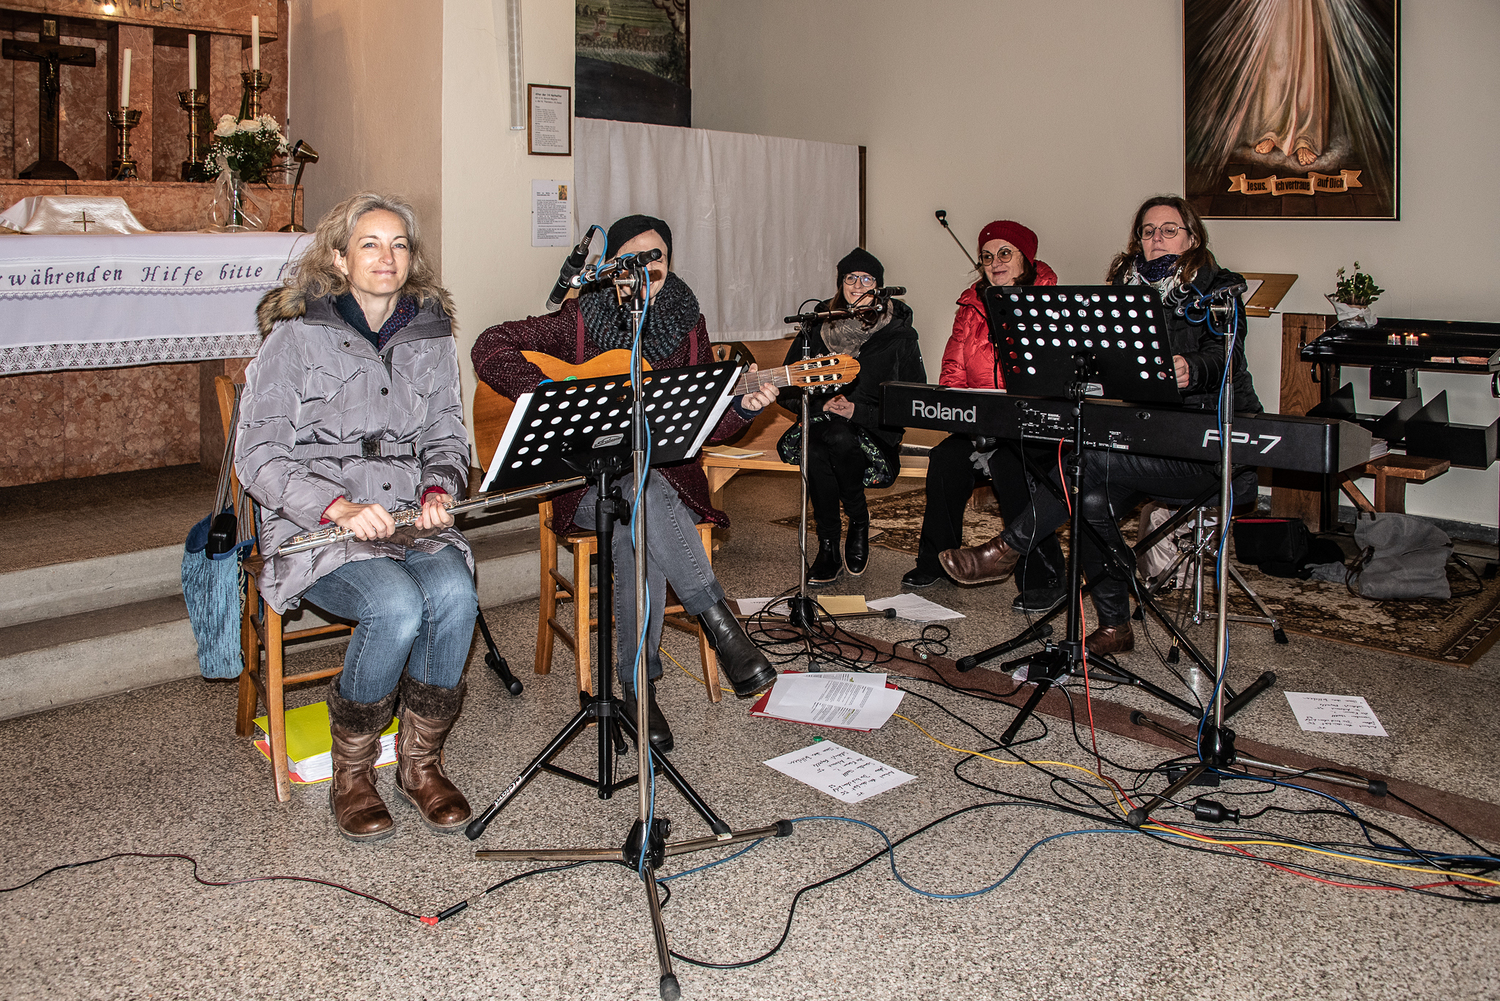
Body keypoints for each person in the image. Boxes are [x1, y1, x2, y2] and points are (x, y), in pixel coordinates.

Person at [471, 214, 779, 753]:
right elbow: (488, 345)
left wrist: (744, 408)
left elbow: (702, 425)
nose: (647, 269)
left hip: (664, 482)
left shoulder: (687, 321)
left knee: (639, 510)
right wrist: (550, 396)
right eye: (633, 259)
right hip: (583, 483)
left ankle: (637, 687)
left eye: (657, 258)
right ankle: (719, 625)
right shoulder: (578, 318)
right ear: (611, 266)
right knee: (640, 499)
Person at [236, 193, 476, 842]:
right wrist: (337, 506)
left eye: (399, 244)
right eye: (370, 243)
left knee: (455, 593)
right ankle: (353, 773)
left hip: (407, 518)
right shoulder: (294, 337)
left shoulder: (429, 336)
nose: (386, 256)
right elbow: (257, 456)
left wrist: (439, 487)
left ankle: (420, 764)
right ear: (340, 258)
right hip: (315, 523)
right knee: (395, 604)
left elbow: (447, 436)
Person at [939, 195, 1262, 657]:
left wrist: (1192, 368)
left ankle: (1007, 549)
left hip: (1208, 448)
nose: (1157, 238)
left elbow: (1222, 356)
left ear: (1192, 238)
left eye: (1169, 230)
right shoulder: (1125, 290)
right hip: (1146, 439)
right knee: (1088, 496)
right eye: (1148, 231)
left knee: (1085, 463)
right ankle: (1115, 627)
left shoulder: (1219, 291)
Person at [901, 220, 1067, 612]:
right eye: (987, 256)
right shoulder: (971, 306)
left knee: (1012, 468)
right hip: (979, 421)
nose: (995, 263)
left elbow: (1055, 378)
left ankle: (1044, 577)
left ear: (1026, 258)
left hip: (1032, 427)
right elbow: (953, 372)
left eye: (1005, 253)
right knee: (945, 460)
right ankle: (935, 561)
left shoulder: (1051, 303)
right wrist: (968, 416)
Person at [778, 248, 925, 585]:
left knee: (833, 438)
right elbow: (787, 388)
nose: (858, 285)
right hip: (822, 426)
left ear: (879, 286)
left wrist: (857, 411)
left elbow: (912, 402)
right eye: (850, 278)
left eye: (866, 279)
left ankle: (850, 524)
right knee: (822, 442)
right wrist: (822, 406)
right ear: (840, 284)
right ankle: (833, 539)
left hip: (873, 433)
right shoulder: (817, 327)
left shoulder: (899, 335)